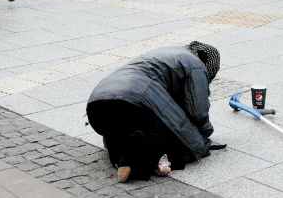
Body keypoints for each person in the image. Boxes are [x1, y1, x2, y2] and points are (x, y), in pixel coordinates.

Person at [86, 41, 223, 183]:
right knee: (189, 143)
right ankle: (140, 162)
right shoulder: (196, 65)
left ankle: (121, 159)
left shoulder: (171, 52)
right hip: (135, 97)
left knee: (125, 129)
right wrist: (204, 132)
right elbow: (198, 110)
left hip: (96, 108)